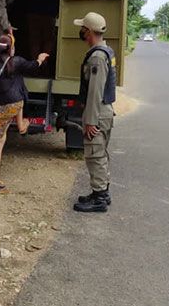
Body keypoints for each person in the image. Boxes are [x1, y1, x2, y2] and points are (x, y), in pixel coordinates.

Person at [0, 35, 49, 192]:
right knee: (18, 87)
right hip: (15, 106)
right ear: (11, 48)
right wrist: (40, 58)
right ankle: (21, 124)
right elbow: (33, 66)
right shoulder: (17, 62)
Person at [72, 12, 116, 213]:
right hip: (104, 111)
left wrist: (90, 120)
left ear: (88, 31)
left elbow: (95, 91)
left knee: (95, 154)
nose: (80, 31)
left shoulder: (97, 57)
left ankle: (99, 197)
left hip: (97, 112)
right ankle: (101, 193)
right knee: (100, 153)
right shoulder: (105, 50)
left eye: (82, 28)